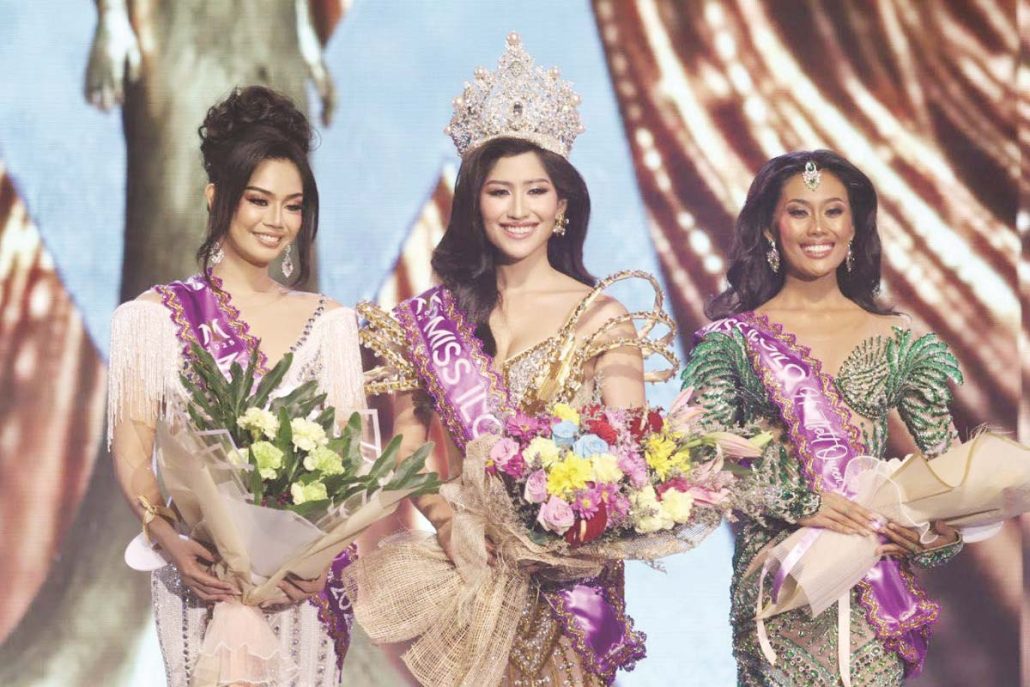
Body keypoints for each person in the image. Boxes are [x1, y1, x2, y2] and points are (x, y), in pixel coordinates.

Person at [354, 34, 677, 685]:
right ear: (475, 203)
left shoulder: (602, 316)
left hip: (572, 584)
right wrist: (449, 523)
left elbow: (633, 454)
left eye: (537, 191)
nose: (519, 209)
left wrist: (573, 516)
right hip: (469, 577)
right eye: (500, 192)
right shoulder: (430, 320)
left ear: (562, 206)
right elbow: (407, 450)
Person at [106, 85, 364, 686]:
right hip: (202, 577)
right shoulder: (154, 318)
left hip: (303, 588)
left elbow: (350, 465)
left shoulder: (330, 324)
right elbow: (134, 454)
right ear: (216, 196)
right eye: (258, 200)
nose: (277, 222)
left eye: (293, 206)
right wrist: (167, 537)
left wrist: (318, 558)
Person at [682, 150, 965, 685]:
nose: (818, 228)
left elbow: (952, 471)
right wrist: (799, 501)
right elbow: (700, 460)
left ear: (854, 226)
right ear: (770, 227)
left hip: (872, 592)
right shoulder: (733, 343)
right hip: (780, 589)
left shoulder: (897, 338)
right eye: (798, 212)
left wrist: (933, 534)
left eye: (833, 211)